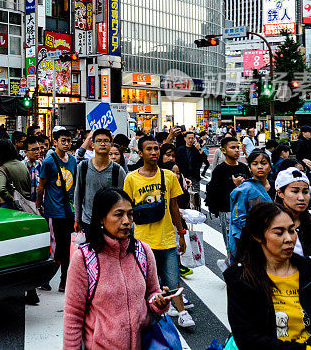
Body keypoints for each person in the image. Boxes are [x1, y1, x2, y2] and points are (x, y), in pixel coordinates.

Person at [225, 202, 311, 350]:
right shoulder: (241, 278)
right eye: (279, 233)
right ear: (258, 236)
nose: (289, 239)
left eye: (292, 230)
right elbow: (248, 339)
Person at [63, 187, 171, 349]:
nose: (127, 221)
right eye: (119, 214)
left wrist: (160, 302)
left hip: (144, 344)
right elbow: (73, 316)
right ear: (101, 218)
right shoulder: (84, 259)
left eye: (130, 214)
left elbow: (152, 293)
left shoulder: (143, 252)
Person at [122, 136, 194, 328]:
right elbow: (127, 210)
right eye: (149, 149)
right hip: (142, 241)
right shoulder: (131, 178)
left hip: (167, 238)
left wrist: (181, 233)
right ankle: (144, 315)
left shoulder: (168, 176)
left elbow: (174, 207)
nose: (154, 153)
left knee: (173, 279)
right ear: (140, 152)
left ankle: (181, 312)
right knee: (142, 282)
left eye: (156, 149)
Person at [37, 127, 77, 293]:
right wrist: (39, 205)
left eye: (69, 141)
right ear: (55, 142)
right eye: (63, 141)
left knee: (66, 247)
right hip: (53, 211)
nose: (67, 144)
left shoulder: (73, 161)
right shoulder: (49, 161)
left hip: (69, 210)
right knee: (56, 249)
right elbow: (41, 186)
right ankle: (44, 279)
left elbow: (74, 186)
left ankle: (64, 282)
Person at [273, 167, 311, 265]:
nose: (301, 198)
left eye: (305, 192)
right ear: (280, 193)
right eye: (295, 191)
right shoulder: (268, 225)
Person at [73, 128, 126, 235]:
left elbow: (123, 199)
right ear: (92, 144)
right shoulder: (83, 167)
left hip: (111, 222)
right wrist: (77, 219)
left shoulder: (118, 170)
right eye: (99, 141)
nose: (102, 144)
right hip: (88, 221)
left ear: (111, 144)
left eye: (106, 141)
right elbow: (78, 194)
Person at [228, 150, 273, 264]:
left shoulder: (278, 186)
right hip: (252, 239)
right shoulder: (244, 189)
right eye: (255, 163)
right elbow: (238, 218)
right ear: (250, 167)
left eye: (263, 163)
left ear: (270, 166)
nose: (260, 167)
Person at [206, 137, 250, 254]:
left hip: (245, 211)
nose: (237, 150)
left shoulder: (244, 167)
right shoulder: (220, 170)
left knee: (247, 247)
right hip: (228, 211)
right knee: (232, 248)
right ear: (224, 151)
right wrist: (234, 186)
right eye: (232, 148)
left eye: (238, 147)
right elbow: (215, 193)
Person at [0, 138, 31, 209]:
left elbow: (0, 189)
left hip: (9, 206)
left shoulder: (2, 169)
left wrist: (12, 199)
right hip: (26, 205)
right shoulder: (23, 165)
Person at [23, 136, 43, 203]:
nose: (37, 152)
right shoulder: (23, 165)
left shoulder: (40, 163)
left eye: (38, 149)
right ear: (25, 151)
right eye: (33, 150)